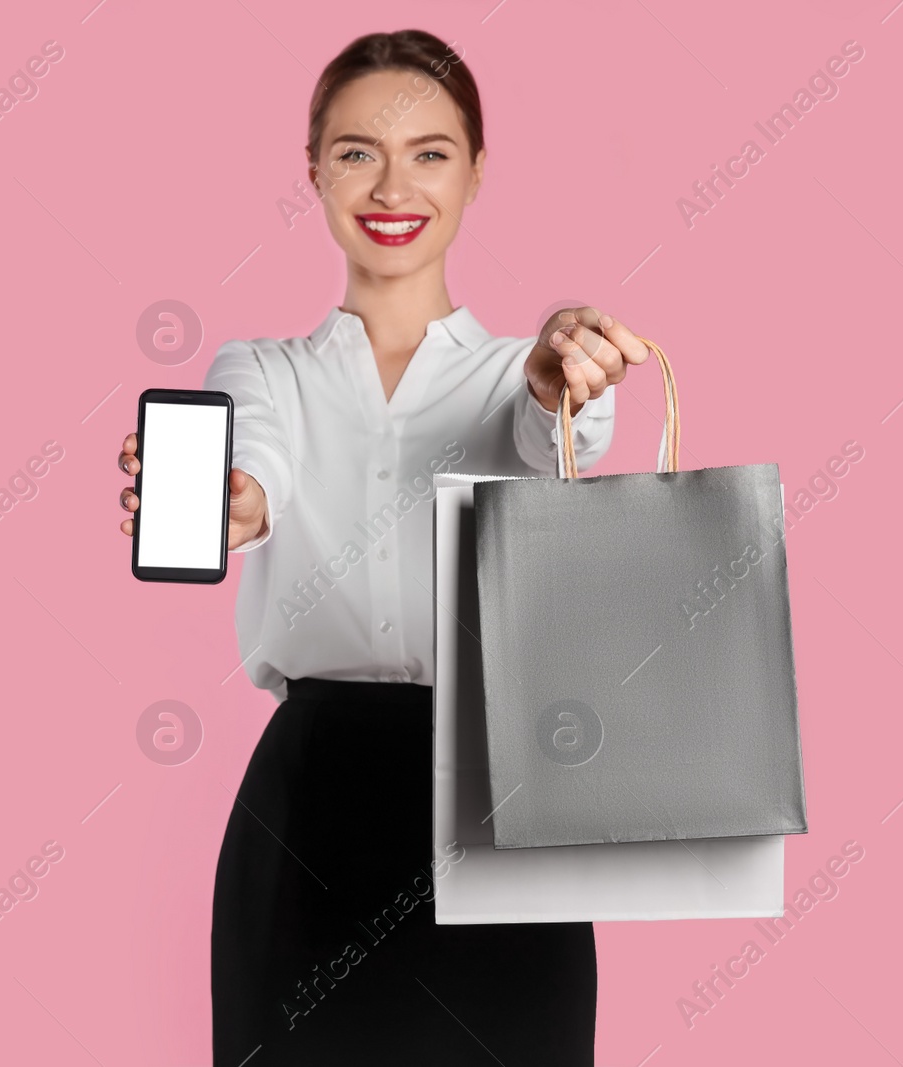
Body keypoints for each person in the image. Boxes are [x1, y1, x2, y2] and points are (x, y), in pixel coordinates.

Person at [117, 28, 651, 1065]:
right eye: (358, 150)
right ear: (313, 170)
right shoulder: (263, 368)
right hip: (311, 797)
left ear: (477, 169)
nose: (391, 183)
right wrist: (233, 503)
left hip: (500, 803)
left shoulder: (520, 372)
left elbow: (564, 433)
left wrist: (560, 382)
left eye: (430, 152)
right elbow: (253, 462)